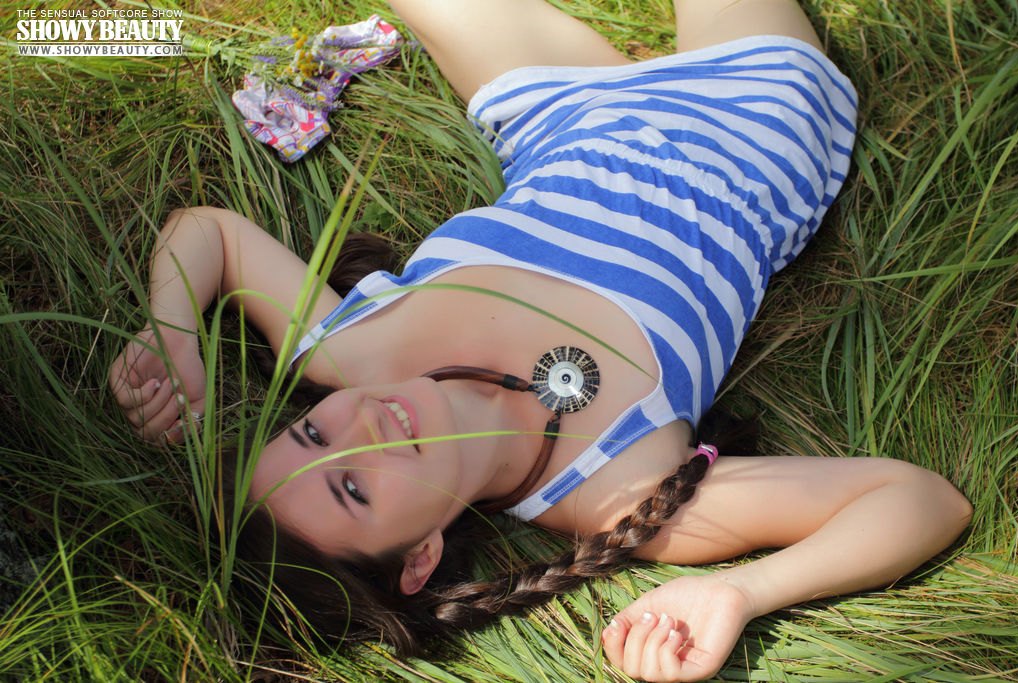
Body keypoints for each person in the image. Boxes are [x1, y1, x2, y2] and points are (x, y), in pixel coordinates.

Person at [109, 1, 973, 680]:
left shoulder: (347, 355)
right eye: (354, 486)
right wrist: (741, 591)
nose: (357, 424)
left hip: (564, 116)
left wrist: (173, 331)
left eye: (310, 432)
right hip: (750, 121)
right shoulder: (619, 484)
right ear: (420, 558)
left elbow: (208, 233)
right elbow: (919, 498)